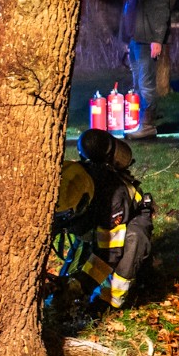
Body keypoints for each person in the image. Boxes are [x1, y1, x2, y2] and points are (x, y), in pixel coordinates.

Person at [51, 129, 154, 309]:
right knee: (75, 270)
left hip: (130, 220)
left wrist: (81, 285)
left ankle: (110, 301)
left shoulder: (113, 198)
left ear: (84, 203)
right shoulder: (68, 182)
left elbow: (110, 254)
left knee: (133, 241)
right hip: (95, 226)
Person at [118, 0, 169, 139]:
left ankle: (148, 125)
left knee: (145, 83)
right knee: (137, 82)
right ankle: (141, 123)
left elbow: (161, 8)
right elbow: (130, 8)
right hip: (135, 38)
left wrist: (157, 39)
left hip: (147, 39)